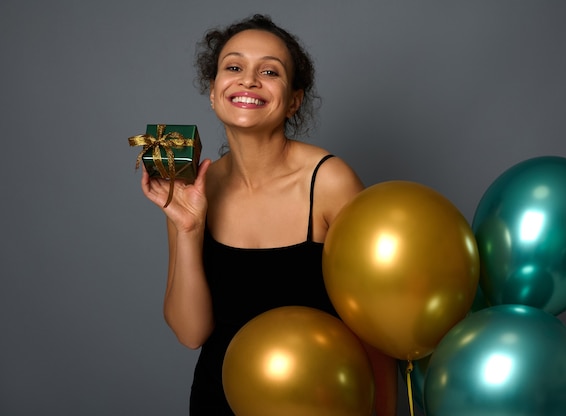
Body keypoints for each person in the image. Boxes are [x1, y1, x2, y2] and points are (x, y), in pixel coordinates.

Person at [140, 14, 398, 415]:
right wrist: (188, 227)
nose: (248, 80)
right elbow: (191, 333)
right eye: (234, 67)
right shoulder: (191, 188)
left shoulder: (329, 182)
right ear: (213, 92)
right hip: (218, 401)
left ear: (293, 99)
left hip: (320, 403)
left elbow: (377, 327)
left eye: (269, 71)